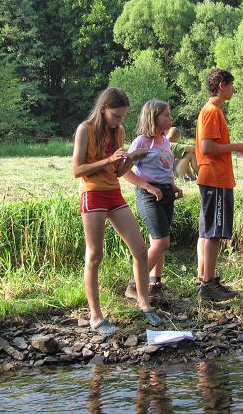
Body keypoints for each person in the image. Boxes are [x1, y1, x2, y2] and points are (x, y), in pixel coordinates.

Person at [72, 87, 162, 336]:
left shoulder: (118, 131)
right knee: (95, 255)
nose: (119, 121)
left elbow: (118, 171)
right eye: (116, 116)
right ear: (103, 109)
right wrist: (109, 159)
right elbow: (77, 170)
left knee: (140, 249)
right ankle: (96, 316)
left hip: (113, 192)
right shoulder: (85, 129)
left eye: (122, 116)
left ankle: (144, 304)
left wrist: (131, 158)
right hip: (92, 193)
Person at [195, 68, 243, 301]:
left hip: (214, 179)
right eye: (231, 84)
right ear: (221, 85)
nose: (233, 89)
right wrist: (235, 147)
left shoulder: (213, 111)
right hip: (215, 179)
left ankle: (204, 278)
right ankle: (208, 285)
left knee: (207, 231)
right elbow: (207, 147)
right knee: (214, 232)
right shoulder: (212, 112)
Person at [123, 100, 183, 303]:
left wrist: (173, 185)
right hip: (149, 195)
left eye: (169, 114)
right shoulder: (141, 142)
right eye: (166, 115)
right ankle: (134, 285)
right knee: (161, 242)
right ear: (153, 117)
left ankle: (154, 283)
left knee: (159, 240)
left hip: (166, 193)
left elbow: (165, 167)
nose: (170, 118)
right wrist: (148, 187)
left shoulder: (164, 140)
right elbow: (124, 171)